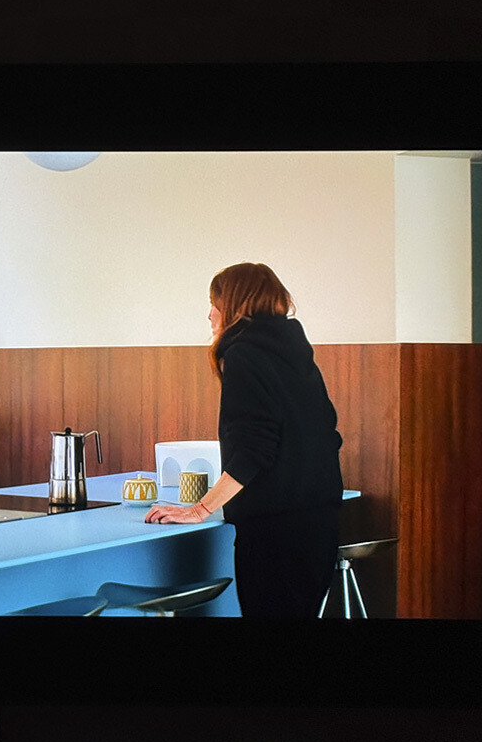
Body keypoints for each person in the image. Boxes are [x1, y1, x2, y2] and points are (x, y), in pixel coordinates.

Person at [145, 262, 344, 618]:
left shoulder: (244, 355)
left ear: (234, 305)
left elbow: (254, 449)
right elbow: (328, 431)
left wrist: (199, 509)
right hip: (320, 523)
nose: (209, 314)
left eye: (214, 303)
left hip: (275, 536)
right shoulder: (294, 352)